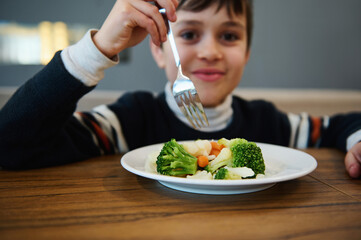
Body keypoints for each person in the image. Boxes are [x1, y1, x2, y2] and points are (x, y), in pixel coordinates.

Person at [0, 0, 360, 178]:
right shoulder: (127, 120)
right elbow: (11, 142)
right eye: (188, 34)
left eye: (230, 36)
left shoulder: (269, 122)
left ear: (247, 53)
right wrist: (99, 48)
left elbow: (340, 125)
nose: (210, 51)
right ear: (158, 49)